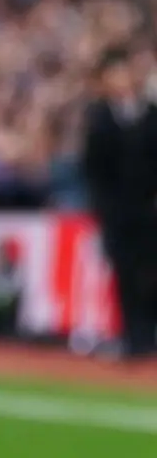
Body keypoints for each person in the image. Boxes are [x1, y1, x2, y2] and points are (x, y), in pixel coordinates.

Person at [82, 48, 157, 359]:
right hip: (118, 212)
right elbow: (93, 168)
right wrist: (104, 207)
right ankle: (133, 338)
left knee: (150, 272)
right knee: (125, 274)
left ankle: (149, 332)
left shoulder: (152, 114)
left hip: (150, 208)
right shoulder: (99, 118)